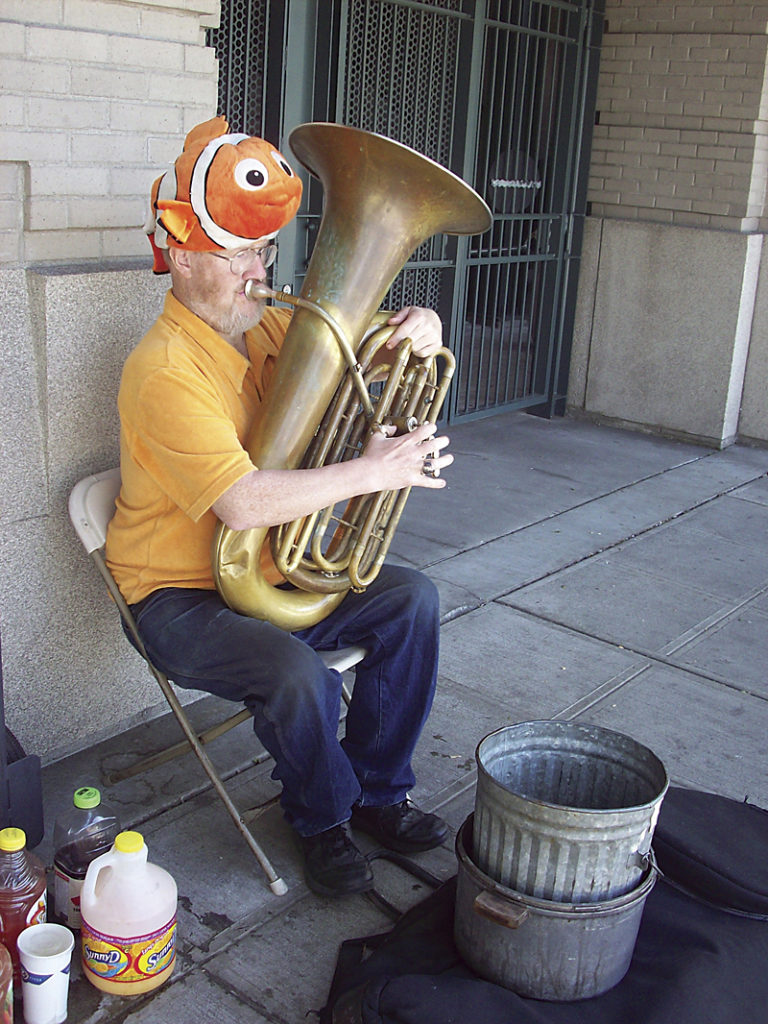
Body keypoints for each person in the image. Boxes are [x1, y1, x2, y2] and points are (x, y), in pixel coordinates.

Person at [105, 117, 451, 897]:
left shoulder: (264, 325)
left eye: (262, 252)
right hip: (177, 597)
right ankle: (323, 821)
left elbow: (372, 353)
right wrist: (369, 473)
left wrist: (419, 333)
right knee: (298, 675)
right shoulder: (161, 370)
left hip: (263, 571)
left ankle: (378, 793)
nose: (256, 272)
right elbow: (242, 500)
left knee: (412, 602)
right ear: (185, 257)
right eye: (235, 256)